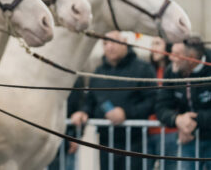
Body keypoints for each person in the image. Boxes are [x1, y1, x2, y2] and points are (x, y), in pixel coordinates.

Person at [71, 31, 156, 170]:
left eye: (114, 42)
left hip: (135, 144)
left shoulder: (143, 69)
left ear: (125, 42)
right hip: (106, 143)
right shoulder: (98, 73)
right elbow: (90, 101)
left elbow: (152, 101)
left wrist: (126, 113)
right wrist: (83, 112)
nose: (110, 47)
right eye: (105, 43)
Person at [155, 36, 211, 170]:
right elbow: (161, 106)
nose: (170, 58)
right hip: (188, 140)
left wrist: (193, 121)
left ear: (191, 57)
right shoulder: (172, 71)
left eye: (176, 54)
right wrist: (177, 120)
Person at [147, 37, 177, 170]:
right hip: (149, 130)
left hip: (169, 130)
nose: (154, 48)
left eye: (158, 44)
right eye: (152, 44)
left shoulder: (173, 72)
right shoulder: (148, 71)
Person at [48, 77, 85, 170]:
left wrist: (77, 136)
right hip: (44, 140)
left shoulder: (75, 80)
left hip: (66, 140)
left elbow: (81, 107)